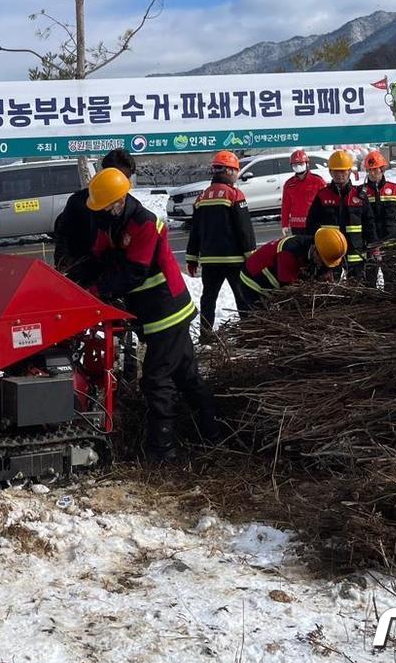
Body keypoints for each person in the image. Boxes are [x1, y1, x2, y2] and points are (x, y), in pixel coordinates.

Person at [72, 167, 219, 462]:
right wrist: (73, 282)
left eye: (105, 207)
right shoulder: (109, 222)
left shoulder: (144, 224)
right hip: (153, 312)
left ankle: (163, 449)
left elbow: (133, 273)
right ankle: (213, 431)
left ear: (119, 201)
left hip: (168, 311)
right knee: (186, 376)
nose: (101, 212)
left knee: (156, 379)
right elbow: (97, 259)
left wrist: (98, 292)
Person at [183, 150, 256, 333]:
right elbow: (244, 229)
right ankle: (249, 334)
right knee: (242, 298)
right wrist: (251, 255)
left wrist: (191, 258)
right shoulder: (234, 195)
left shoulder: (202, 197)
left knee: (208, 299)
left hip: (209, 261)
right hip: (234, 260)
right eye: (236, 171)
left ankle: (206, 336)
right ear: (229, 171)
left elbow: (195, 231)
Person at [53, 148, 136, 277]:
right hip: (80, 271)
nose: (119, 182)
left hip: (111, 277)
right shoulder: (78, 202)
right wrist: (63, 266)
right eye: (116, 176)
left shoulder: (132, 208)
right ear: (103, 172)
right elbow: (64, 236)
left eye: (125, 178)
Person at [305, 150, 375, 283]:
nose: (340, 175)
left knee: (357, 288)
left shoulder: (359, 196)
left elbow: (369, 222)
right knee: (331, 288)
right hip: (330, 252)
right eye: (336, 171)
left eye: (343, 171)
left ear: (349, 172)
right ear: (330, 172)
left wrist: (373, 246)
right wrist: (316, 246)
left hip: (356, 252)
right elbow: (311, 223)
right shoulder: (322, 195)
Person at [237, 227, 347, 308]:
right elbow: (290, 295)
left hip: (275, 278)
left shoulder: (319, 246)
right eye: (323, 262)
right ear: (315, 251)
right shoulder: (289, 254)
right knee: (261, 324)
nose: (324, 266)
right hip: (252, 284)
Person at [360, 150, 396, 289]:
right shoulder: (361, 192)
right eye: (369, 170)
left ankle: (392, 304)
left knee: (391, 275)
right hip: (370, 240)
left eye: (375, 169)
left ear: (382, 169)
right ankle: (370, 304)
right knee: (369, 277)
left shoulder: (394, 189)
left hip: (391, 239)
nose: (372, 173)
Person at [280, 149, 325, 236]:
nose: (298, 166)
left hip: (314, 224)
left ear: (307, 164)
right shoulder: (289, 184)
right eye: (295, 164)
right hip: (296, 226)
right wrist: (284, 224)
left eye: (301, 164)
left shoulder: (318, 181)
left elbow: (325, 203)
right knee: (299, 248)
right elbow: (286, 205)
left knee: (314, 248)